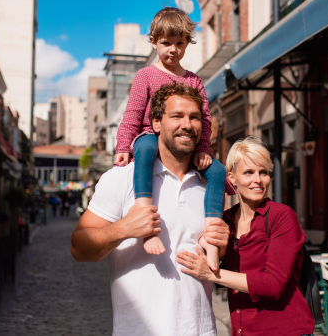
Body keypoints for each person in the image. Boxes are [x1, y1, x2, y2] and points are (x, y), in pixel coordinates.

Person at [71, 83, 230, 336]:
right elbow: (79, 248)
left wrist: (221, 246)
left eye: (195, 117)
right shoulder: (122, 178)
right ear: (156, 122)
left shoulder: (208, 186)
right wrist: (124, 228)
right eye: (177, 116)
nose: (187, 125)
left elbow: (212, 261)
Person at [113, 7, 234, 271]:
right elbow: (133, 112)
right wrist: (124, 145)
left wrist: (203, 148)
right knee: (144, 151)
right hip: (149, 134)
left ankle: (211, 239)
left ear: (187, 44)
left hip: (186, 144)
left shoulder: (194, 80)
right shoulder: (145, 75)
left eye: (180, 43)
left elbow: (204, 118)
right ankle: (146, 221)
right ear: (154, 41)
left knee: (218, 171)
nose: (173, 50)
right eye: (166, 43)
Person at [178, 137, 315, 336]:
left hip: (287, 330)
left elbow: (273, 285)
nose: (257, 180)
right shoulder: (224, 221)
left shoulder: (281, 216)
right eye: (249, 172)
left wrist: (210, 274)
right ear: (232, 178)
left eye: (264, 173)